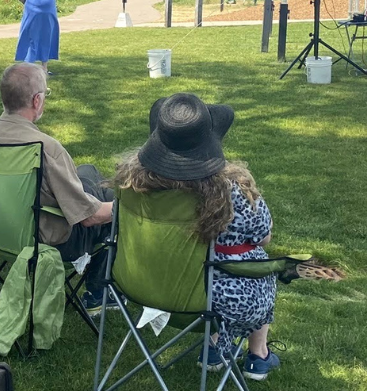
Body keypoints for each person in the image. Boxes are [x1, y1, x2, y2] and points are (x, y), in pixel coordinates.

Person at [113, 93, 279, 378]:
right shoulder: (233, 192)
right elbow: (263, 238)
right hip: (210, 303)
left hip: (142, 286)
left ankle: (217, 346)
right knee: (260, 261)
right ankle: (258, 354)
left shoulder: (131, 186)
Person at [0, 62, 113, 311]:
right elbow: (89, 218)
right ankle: (98, 292)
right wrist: (127, 205)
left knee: (87, 171)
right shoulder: (45, 147)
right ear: (37, 100)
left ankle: (96, 191)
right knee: (116, 208)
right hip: (45, 242)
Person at [16, 0, 59, 74]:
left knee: (46, 39)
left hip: (49, 15)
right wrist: (33, 7)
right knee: (32, 39)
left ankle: (44, 68)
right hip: (33, 16)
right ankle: (29, 67)